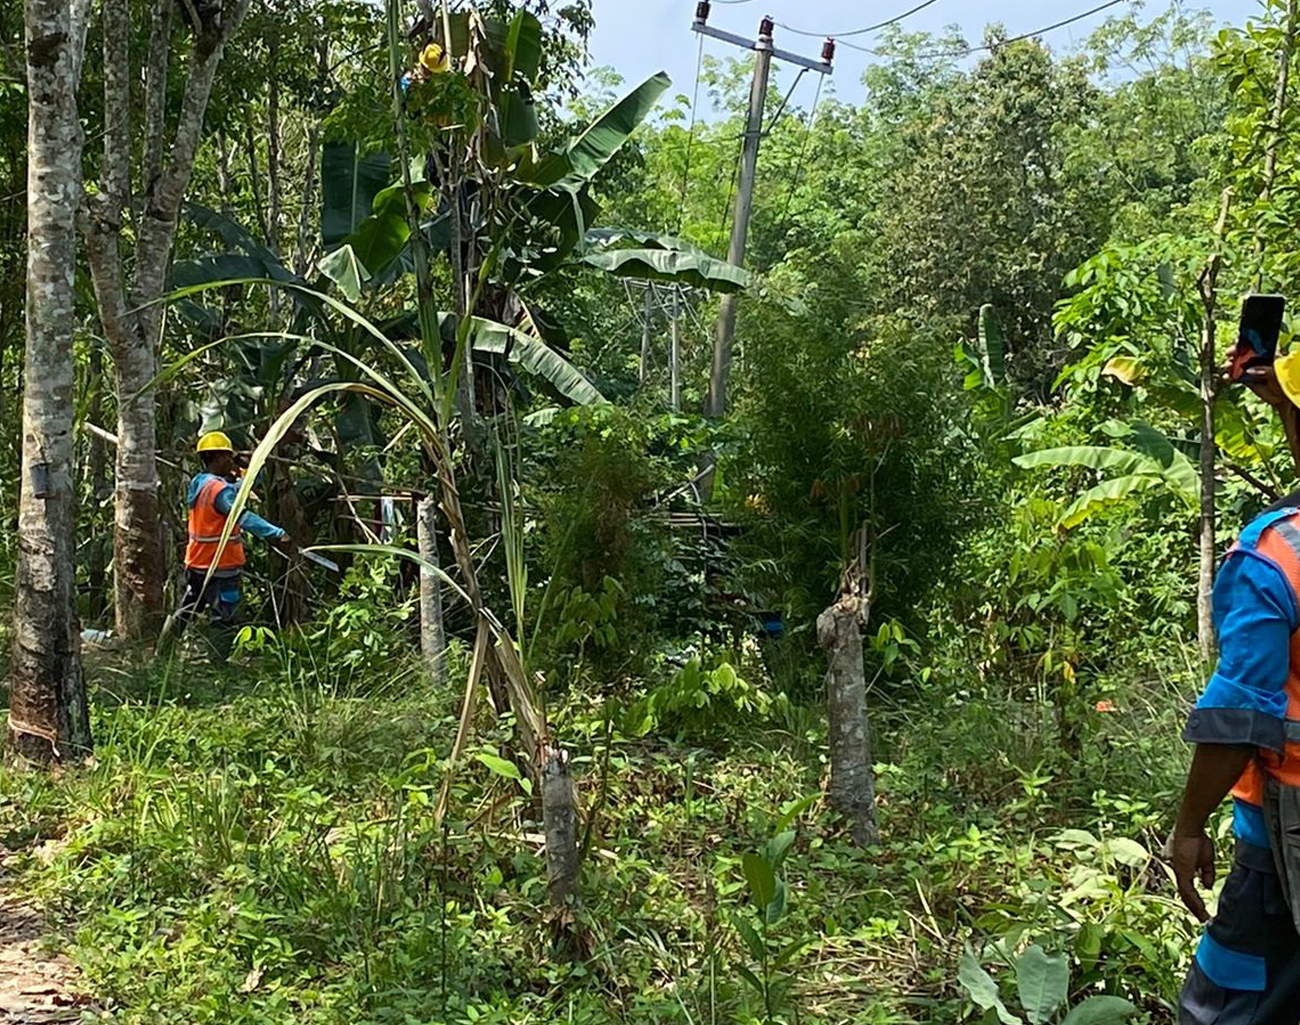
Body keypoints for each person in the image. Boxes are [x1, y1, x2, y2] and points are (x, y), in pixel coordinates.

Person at [1173, 353, 1300, 1022]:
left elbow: (1240, 714)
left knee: (1224, 1007)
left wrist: (1188, 826)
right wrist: (1280, 392)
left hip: (1279, 851)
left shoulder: (1275, 555)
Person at [159, 431, 292, 659]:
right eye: (228, 457)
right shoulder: (219, 491)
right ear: (219, 457)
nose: (231, 461)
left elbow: (240, 487)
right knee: (224, 615)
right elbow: (242, 515)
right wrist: (276, 534)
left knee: (188, 609)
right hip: (220, 567)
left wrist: (249, 466)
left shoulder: (200, 483)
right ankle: (218, 665)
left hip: (197, 564)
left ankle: (163, 653)